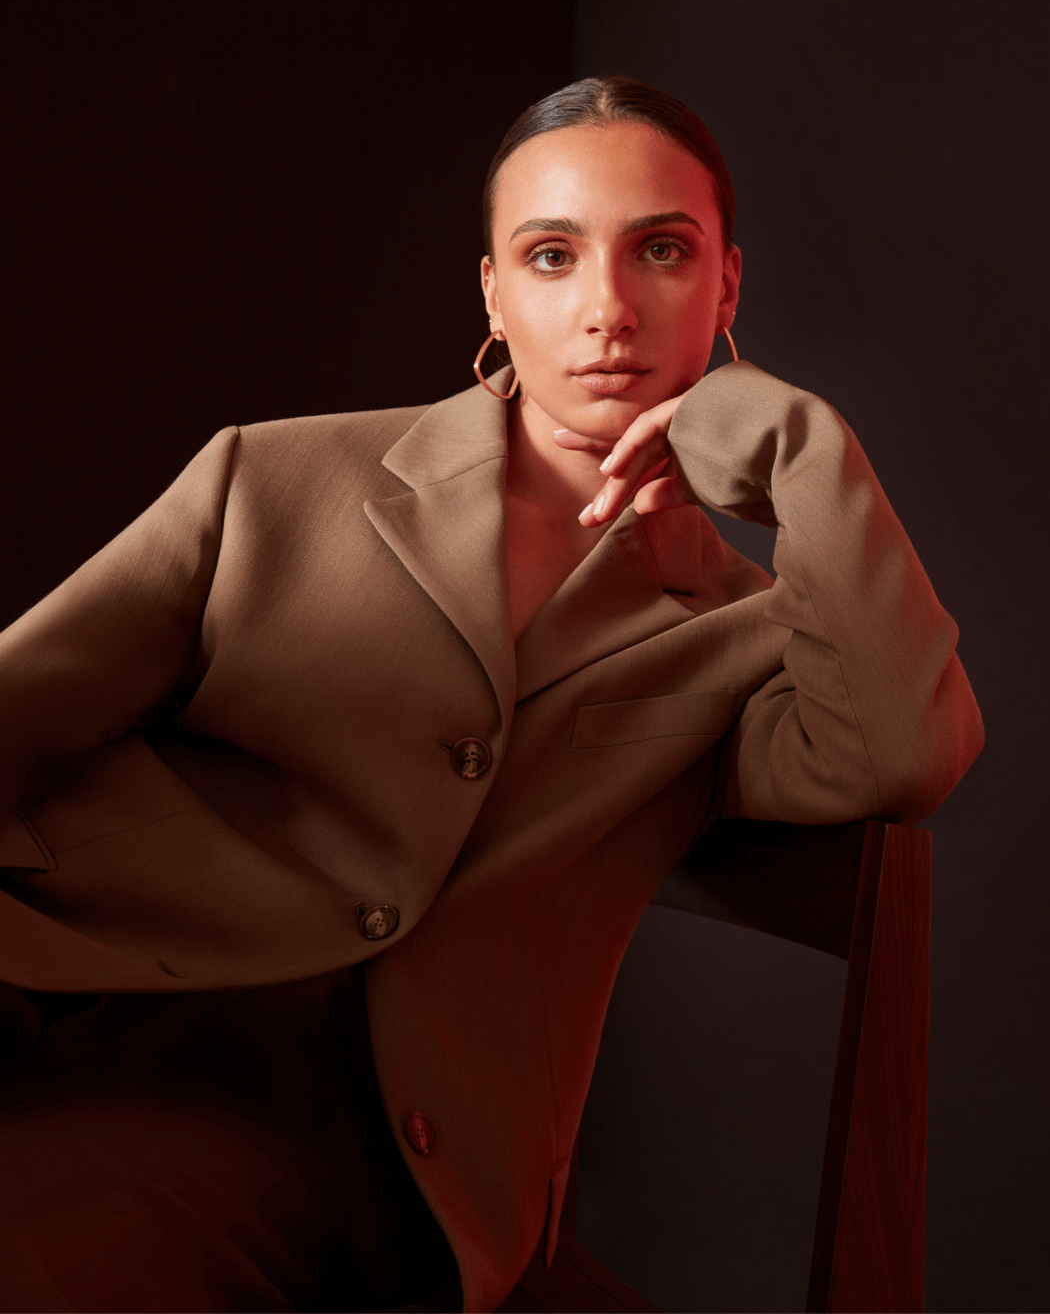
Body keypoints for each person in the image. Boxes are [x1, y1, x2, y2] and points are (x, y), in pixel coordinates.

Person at [0, 77, 983, 1313]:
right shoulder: (272, 476)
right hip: (83, 1026)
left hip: (381, 1161)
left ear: (729, 287)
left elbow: (908, 750)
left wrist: (795, 445)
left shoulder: (743, 632)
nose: (609, 311)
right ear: (494, 295)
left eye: (664, 252)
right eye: (554, 256)